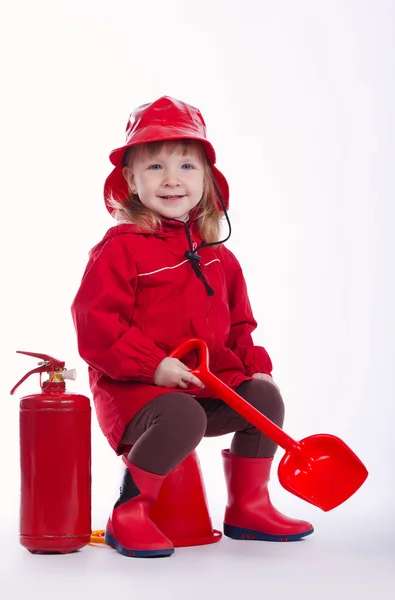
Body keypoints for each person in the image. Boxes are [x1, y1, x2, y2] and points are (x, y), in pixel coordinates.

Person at [71, 96, 313, 558]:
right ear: (131, 181)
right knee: (184, 414)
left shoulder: (219, 257)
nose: (171, 179)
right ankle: (130, 514)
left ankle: (249, 505)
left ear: (207, 180)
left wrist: (253, 368)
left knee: (263, 397)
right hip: (136, 394)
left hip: (205, 384)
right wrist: (154, 366)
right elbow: (95, 326)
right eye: (155, 167)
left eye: (186, 166)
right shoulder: (121, 249)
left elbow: (241, 324)